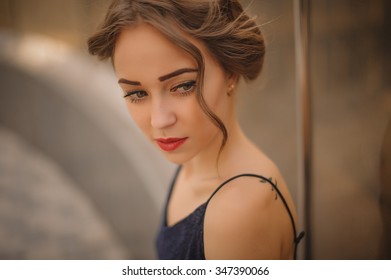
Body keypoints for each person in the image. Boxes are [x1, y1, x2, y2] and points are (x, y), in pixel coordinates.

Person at [87, 0, 304, 259]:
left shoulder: (238, 211)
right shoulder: (195, 164)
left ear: (231, 72)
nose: (159, 120)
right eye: (136, 93)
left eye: (183, 86)